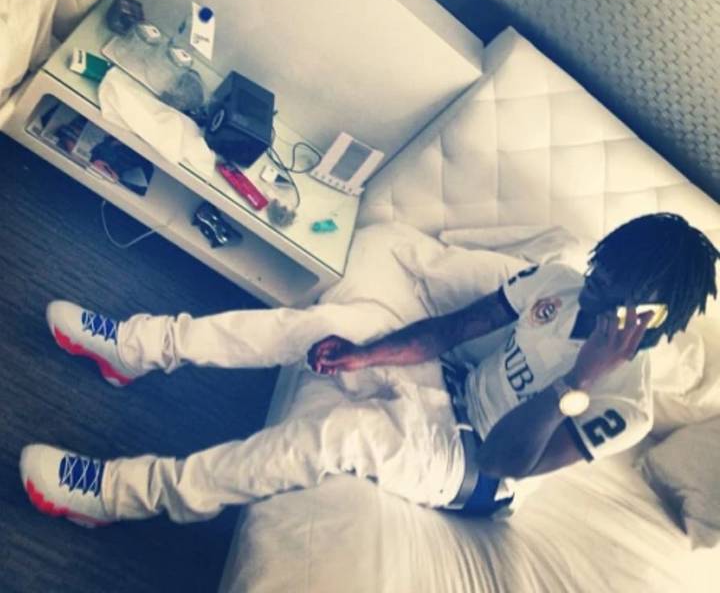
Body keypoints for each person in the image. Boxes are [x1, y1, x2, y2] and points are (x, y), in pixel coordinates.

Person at [19, 213, 719, 527]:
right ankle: (136, 349)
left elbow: (505, 462)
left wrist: (578, 381)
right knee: (321, 328)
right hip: (449, 388)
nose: (591, 293)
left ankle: (121, 495)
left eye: (610, 292)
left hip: (470, 469)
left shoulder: (627, 405)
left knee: (335, 437)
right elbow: (453, 329)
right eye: (599, 273)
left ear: (651, 315)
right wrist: (366, 354)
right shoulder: (561, 281)